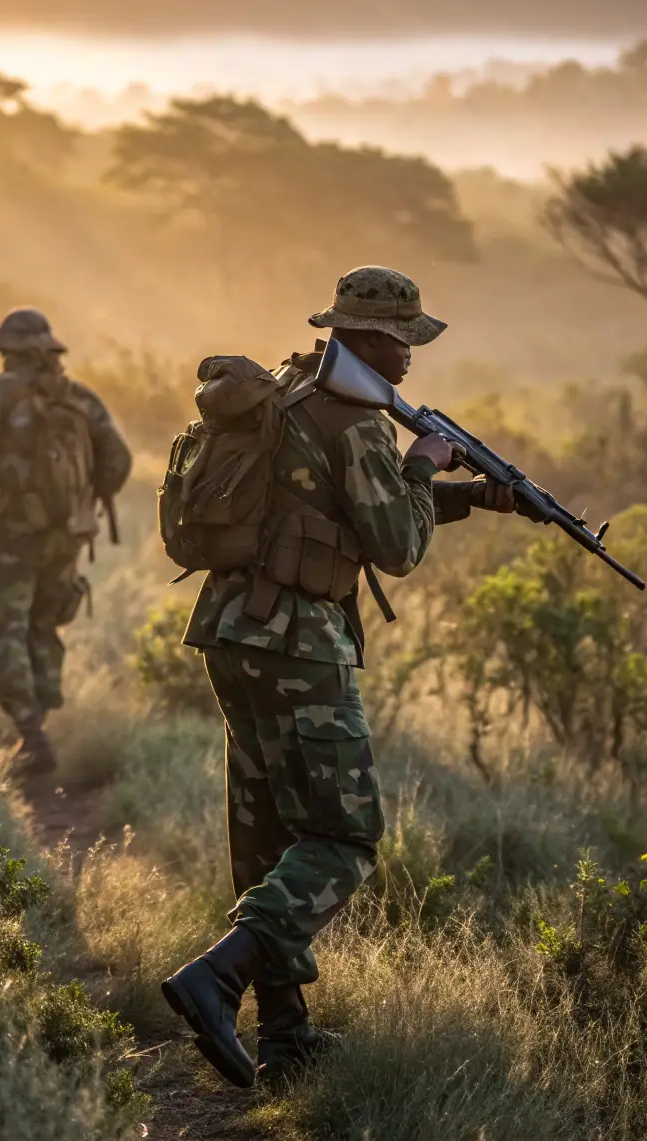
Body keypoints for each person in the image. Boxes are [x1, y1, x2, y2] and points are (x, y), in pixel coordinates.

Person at [161, 265, 540, 1088]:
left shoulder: (294, 388)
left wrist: (468, 493)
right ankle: (215, 979)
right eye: (405, 341)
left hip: (233, 630)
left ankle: (286, 1041)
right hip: (299, 644)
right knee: (342, 835)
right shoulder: (363, 420)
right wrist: (422, 463)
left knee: (268, 835)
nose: (411, 358)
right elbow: (396, 546)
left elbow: (331, 513)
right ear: (374, 337)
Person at [0, 308, 132, 775]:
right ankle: (37, 725)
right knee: (41, 624)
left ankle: (31, 734)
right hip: (66, 539)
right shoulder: (81, 398)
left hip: (10, 537)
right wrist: (76, 501)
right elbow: (118, 462)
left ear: (7, 352)